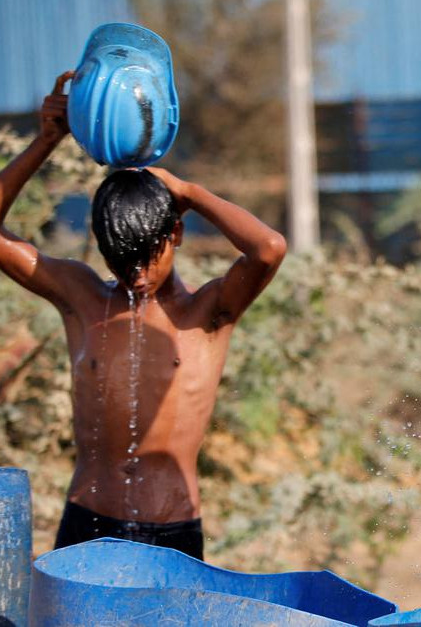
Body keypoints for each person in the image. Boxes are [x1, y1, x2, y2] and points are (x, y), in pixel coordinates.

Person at [0, 73, 287, 560]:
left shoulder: (209, 312)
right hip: (87, 522)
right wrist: (45, 141)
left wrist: (189, 192)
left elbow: (269, 248)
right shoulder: (81, 298)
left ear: (176, 234)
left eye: (146, 257)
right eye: (119, 261)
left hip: (173, 531)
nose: (134, 275)